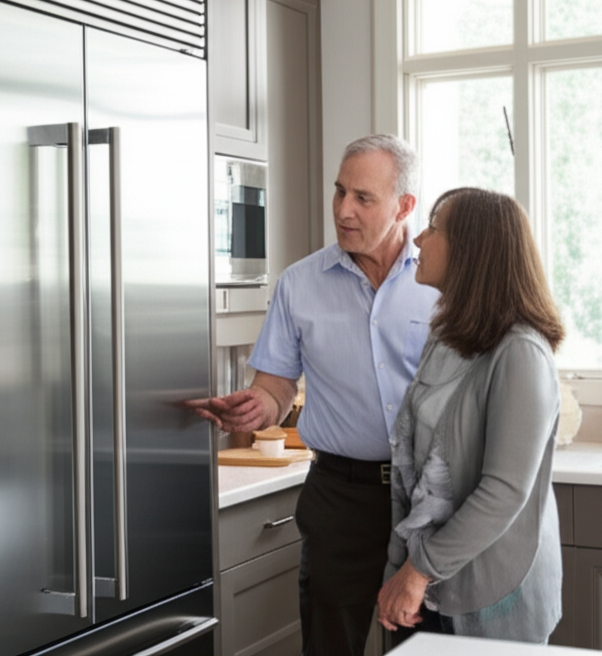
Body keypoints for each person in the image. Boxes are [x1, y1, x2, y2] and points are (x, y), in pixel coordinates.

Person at [187, 135, 439, 656]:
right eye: (339, 192)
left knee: (427, 648)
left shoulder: (443, 281)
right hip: (339, 496)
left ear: (404, 206)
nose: (344, 210)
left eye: (363, 198)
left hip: (426, 496)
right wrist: (256, 406)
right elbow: (276, 387)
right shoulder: (299, 283)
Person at [377, 187, 565, 644]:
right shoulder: (448, 338)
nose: (418, 239)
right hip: (428, 584)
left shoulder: (520, 352)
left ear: (471, 251)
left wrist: (418, 572)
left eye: (434, 228)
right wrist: (402, 568)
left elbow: (503, 491)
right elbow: (417, 468)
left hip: (492, 594)